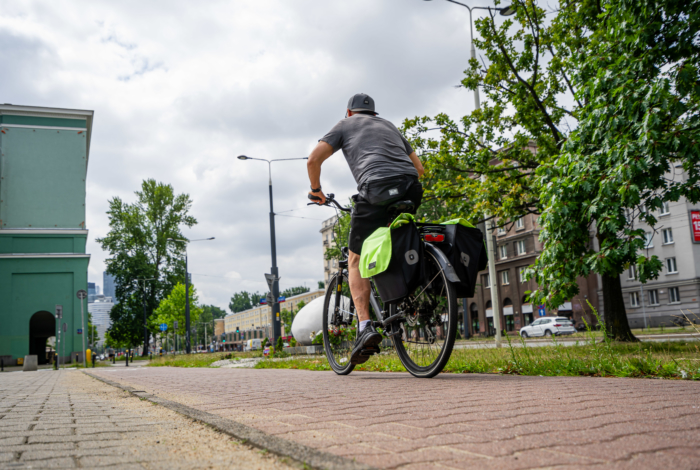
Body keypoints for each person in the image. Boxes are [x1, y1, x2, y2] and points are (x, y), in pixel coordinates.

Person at [307, 93, 425, 364]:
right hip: (410, 188)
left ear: (349, 112)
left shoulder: (344, 125)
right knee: (394, 241)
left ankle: (365, 328)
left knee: (355, 258)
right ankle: (404, 299)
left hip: (376, 190)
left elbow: (313, 160)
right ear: (374, 113)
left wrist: (316, 191)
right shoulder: (389, 125)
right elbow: (419, 168)